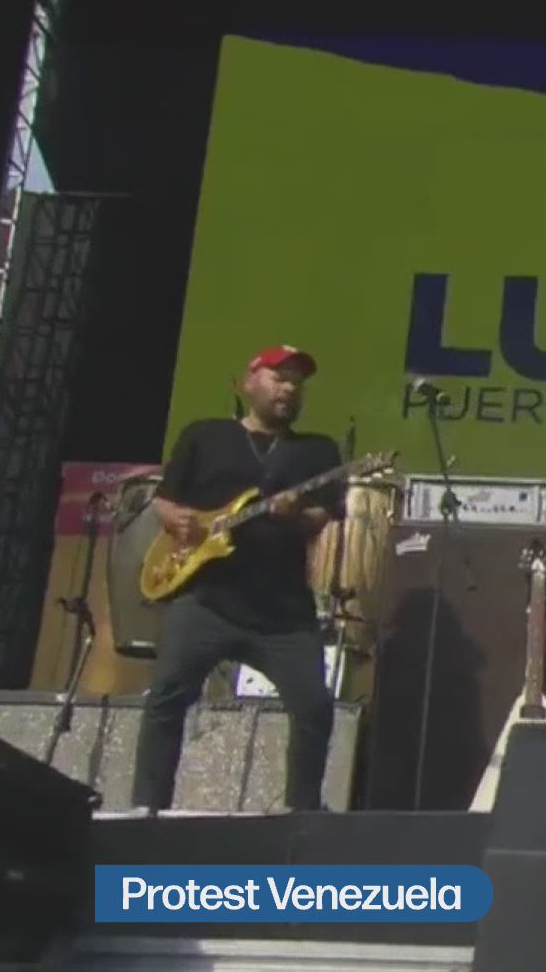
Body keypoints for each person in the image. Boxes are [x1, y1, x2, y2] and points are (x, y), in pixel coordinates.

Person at [132, 344, 346, 812]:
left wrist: (293, 515)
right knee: (166, 699)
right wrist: (176, 519)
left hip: (283, 612)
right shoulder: (204, 436)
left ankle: (302, 812)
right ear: (249, 382)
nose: (288, 389)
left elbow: (320, 518)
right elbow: (165, 499)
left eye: (296, 383)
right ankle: (146, 809)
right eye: (279, 378)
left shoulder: (317, 451)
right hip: (207, 600)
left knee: (314, 707)